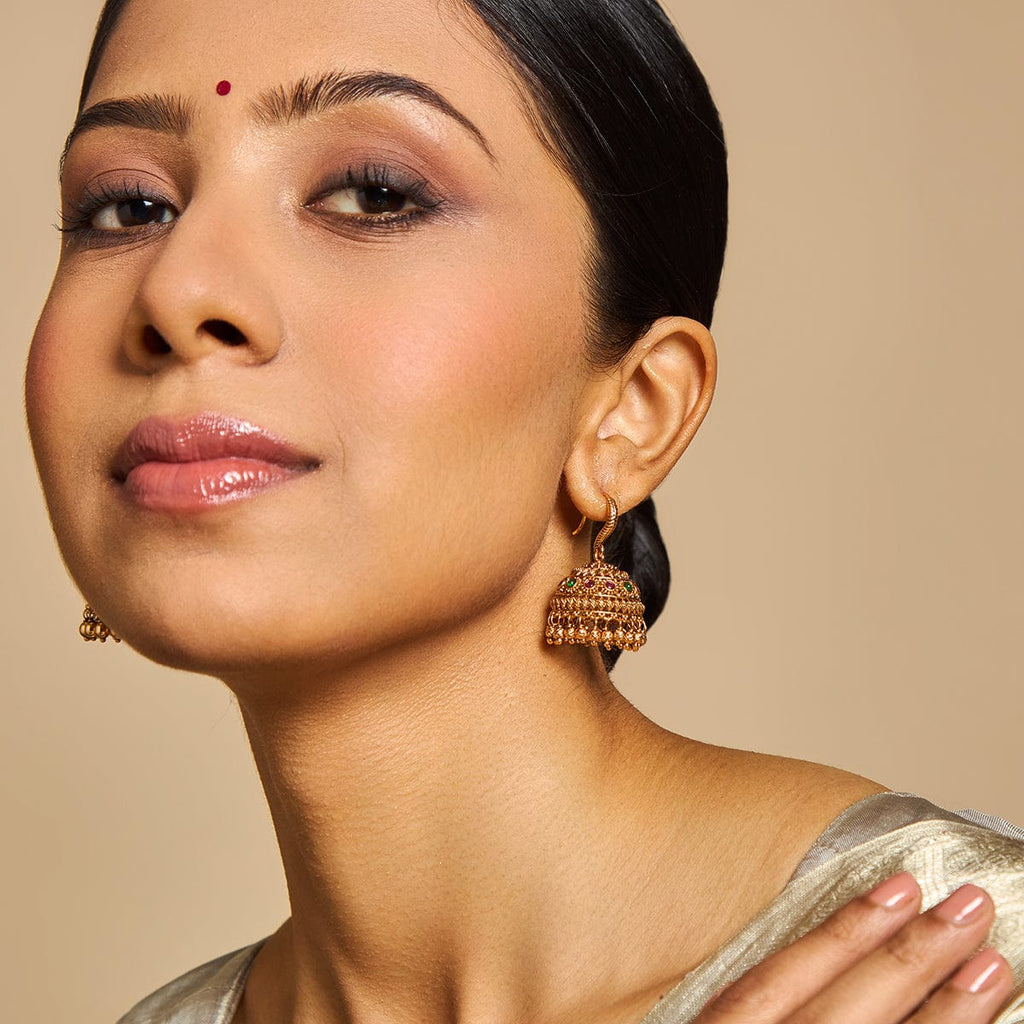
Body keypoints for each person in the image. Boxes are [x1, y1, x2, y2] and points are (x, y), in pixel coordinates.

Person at [23, 0, 1024, 1022]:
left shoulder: (959, 970)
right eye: (128, 207)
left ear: (632, 413)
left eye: (372, 194)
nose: (179, 289)